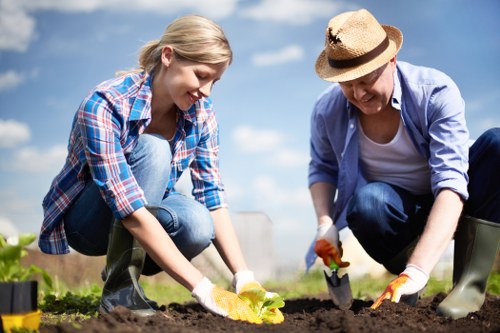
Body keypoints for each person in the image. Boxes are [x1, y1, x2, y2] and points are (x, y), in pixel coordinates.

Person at [39, 15, 283, 324]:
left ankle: (129, 271)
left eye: (215, 81)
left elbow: (212, 195)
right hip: (89, 222)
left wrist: (243, 277)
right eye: (201, 75)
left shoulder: (202, 115)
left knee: (198, 223)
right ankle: (120, 291)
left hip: (145, 213)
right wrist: (203, 288)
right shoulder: (105, 104)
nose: (206, 91)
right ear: (168, 56)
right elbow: (127, 206)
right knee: (154, 149)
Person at [307, 8, 499, 319]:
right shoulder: (328, 110)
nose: (357, 94)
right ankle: (405, 284)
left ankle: (468, 286)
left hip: (460, 203)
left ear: (391, 60)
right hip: (401, 215)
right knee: (367, 203)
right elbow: (322, 169)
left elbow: (451, 181)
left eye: (366, 79)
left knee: (496, 144)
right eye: (346, 84)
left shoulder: (434, 91)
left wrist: (420, 269)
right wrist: (326, 226)